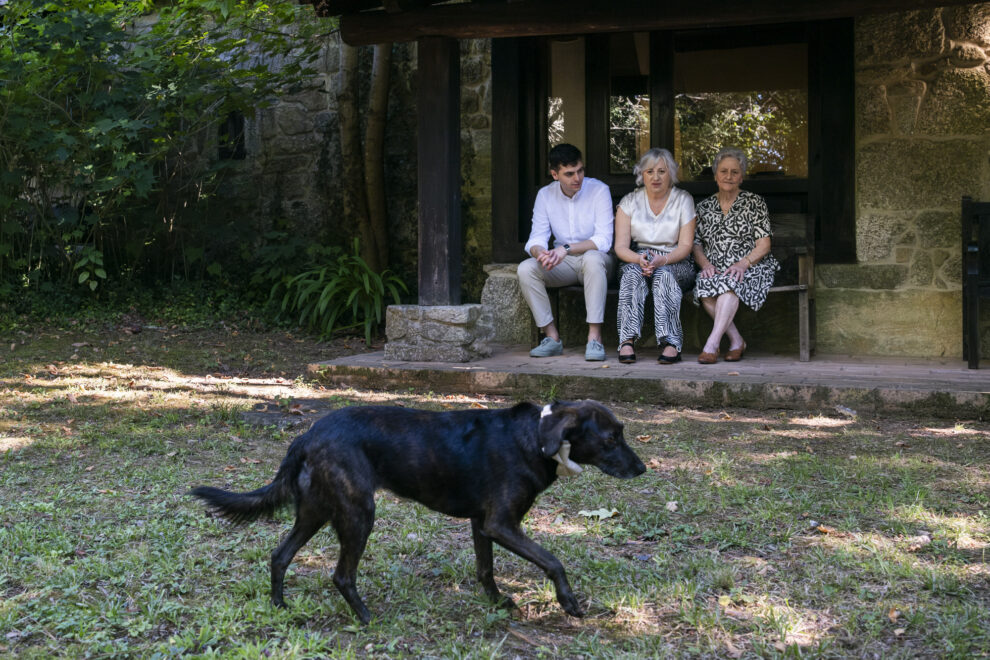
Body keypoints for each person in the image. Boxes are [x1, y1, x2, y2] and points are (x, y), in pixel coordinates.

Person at [518, 143, 615, 360]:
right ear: (555, 174)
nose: (577, 178)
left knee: (591, 259)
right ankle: (552, 338)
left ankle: (594, 339)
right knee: (526, 269)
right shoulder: (545, 195)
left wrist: (565, 249)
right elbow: (536, 238)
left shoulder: (599, 190)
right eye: (569, 173)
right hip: (566, 264)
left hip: (598, 261)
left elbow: (604, 240)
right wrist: (541, 253)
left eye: (580, 170)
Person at [692, 147, 780, 364]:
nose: (728, 177)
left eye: (734, 172)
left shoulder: (754, 203)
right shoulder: (703, 207)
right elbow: (695, 244)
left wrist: (743, 264)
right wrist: (705, 265)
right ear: (715, 175)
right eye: (723, 171)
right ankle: (736, 340)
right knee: (705, 285)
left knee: (731, 282)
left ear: (742, 176)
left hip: (752, 265)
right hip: (716, 265)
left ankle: (712, 344)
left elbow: (764, 245)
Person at [613, 148, 696, 364]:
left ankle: (671, 343)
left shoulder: (683, 199)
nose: (656, 177)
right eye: (650, 171)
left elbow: (686, 246)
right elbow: (620, 247)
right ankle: (627, 341)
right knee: (631, 275)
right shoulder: (629, 201)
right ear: (642, 174)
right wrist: (638, 259)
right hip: (638, 258)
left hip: (675, 259)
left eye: (662, 171)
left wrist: (663, 260)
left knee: (664, 276)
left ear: (671, 174)